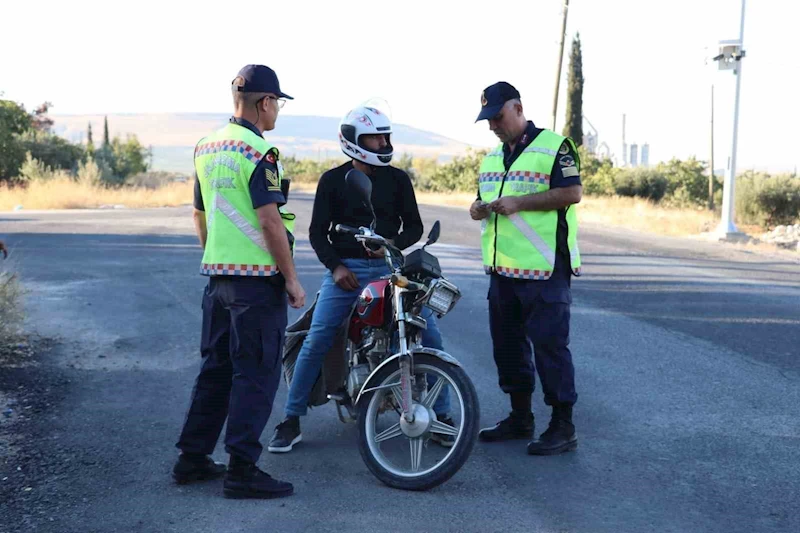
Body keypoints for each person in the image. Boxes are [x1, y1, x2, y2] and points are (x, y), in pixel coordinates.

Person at [267, 104, 453, 453]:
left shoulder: (398, 179)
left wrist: (391, 245)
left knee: (430, 335)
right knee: (317, 336)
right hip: (346, 274)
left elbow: (412, 225)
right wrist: (337, 267)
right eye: (374, 137)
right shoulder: (332, 181)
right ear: (354, 140)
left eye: (386, 136)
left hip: (389, 269)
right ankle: (290, 419)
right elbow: (318, 233)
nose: (382, 143)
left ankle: (443, 416)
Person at [172, 64, 306, 499]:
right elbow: (269, 220)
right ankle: (242, 470)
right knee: (257, 372)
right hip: (256, 283)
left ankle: (192, 459)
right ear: (265, 102)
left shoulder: (206, 146)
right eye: (278, 103)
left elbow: (199, 213)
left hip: (219, 278)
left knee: (216, 369)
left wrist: (216, 256)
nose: (277, 112)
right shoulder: (259, 152)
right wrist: (291, 279)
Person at [470, 81, 582, 455]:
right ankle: (520, 417)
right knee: (507, 347)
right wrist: (476, 208)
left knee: (550, 346)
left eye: (497, 117)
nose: (492, 126)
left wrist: (520, 203)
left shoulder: (554, 147)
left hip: (545, 269)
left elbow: (571, 193)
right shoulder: (491, 158)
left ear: (518, 108)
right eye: (487, 120)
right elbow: (482, 201)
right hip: (504, 269)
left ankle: (562, 426)